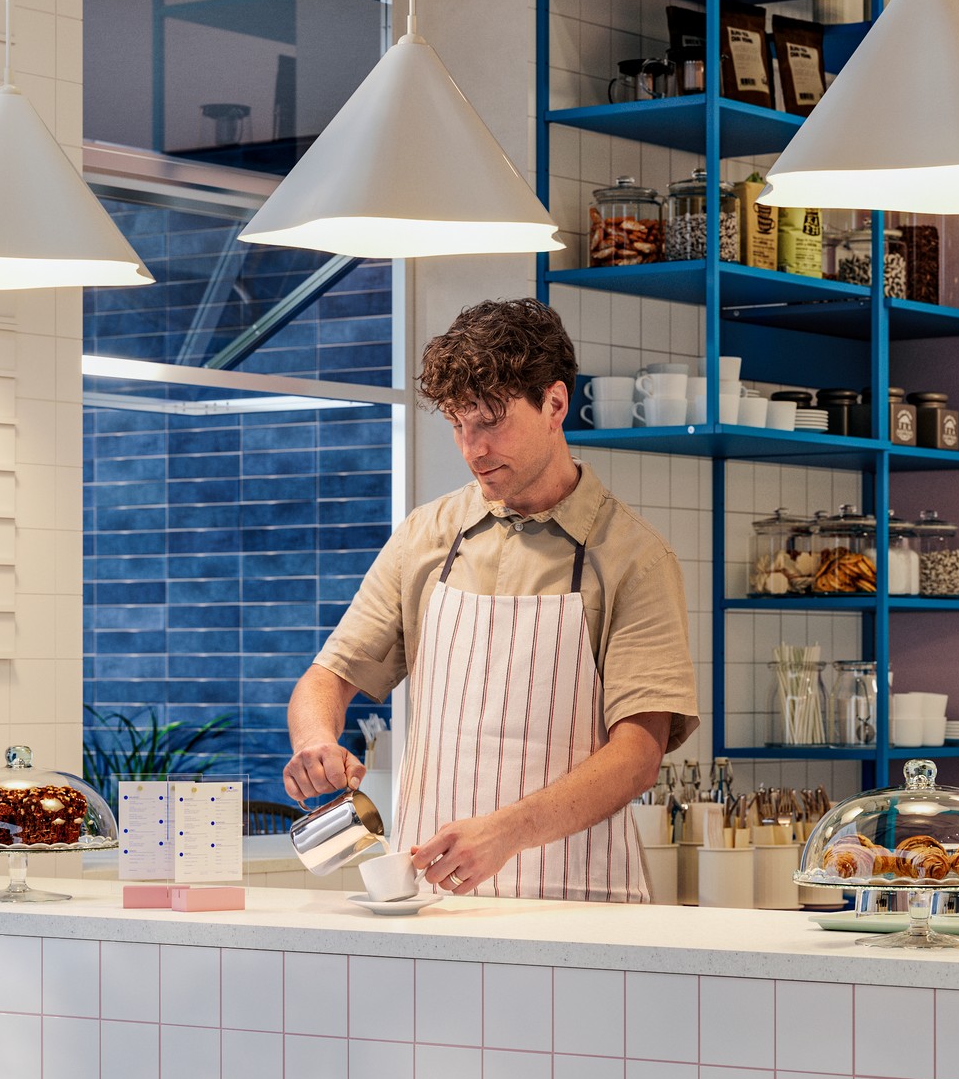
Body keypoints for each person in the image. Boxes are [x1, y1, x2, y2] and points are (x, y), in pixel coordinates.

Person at [284, 298, 698, 901]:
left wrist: (507, 833)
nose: (472, 448)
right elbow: (329, 676)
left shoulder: (635, 559)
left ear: (555, 404)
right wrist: (316, 742)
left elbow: (638, 754)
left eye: (491, 421)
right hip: (430, 901)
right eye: (458, 423)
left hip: (578, 901)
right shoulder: (425, 538)